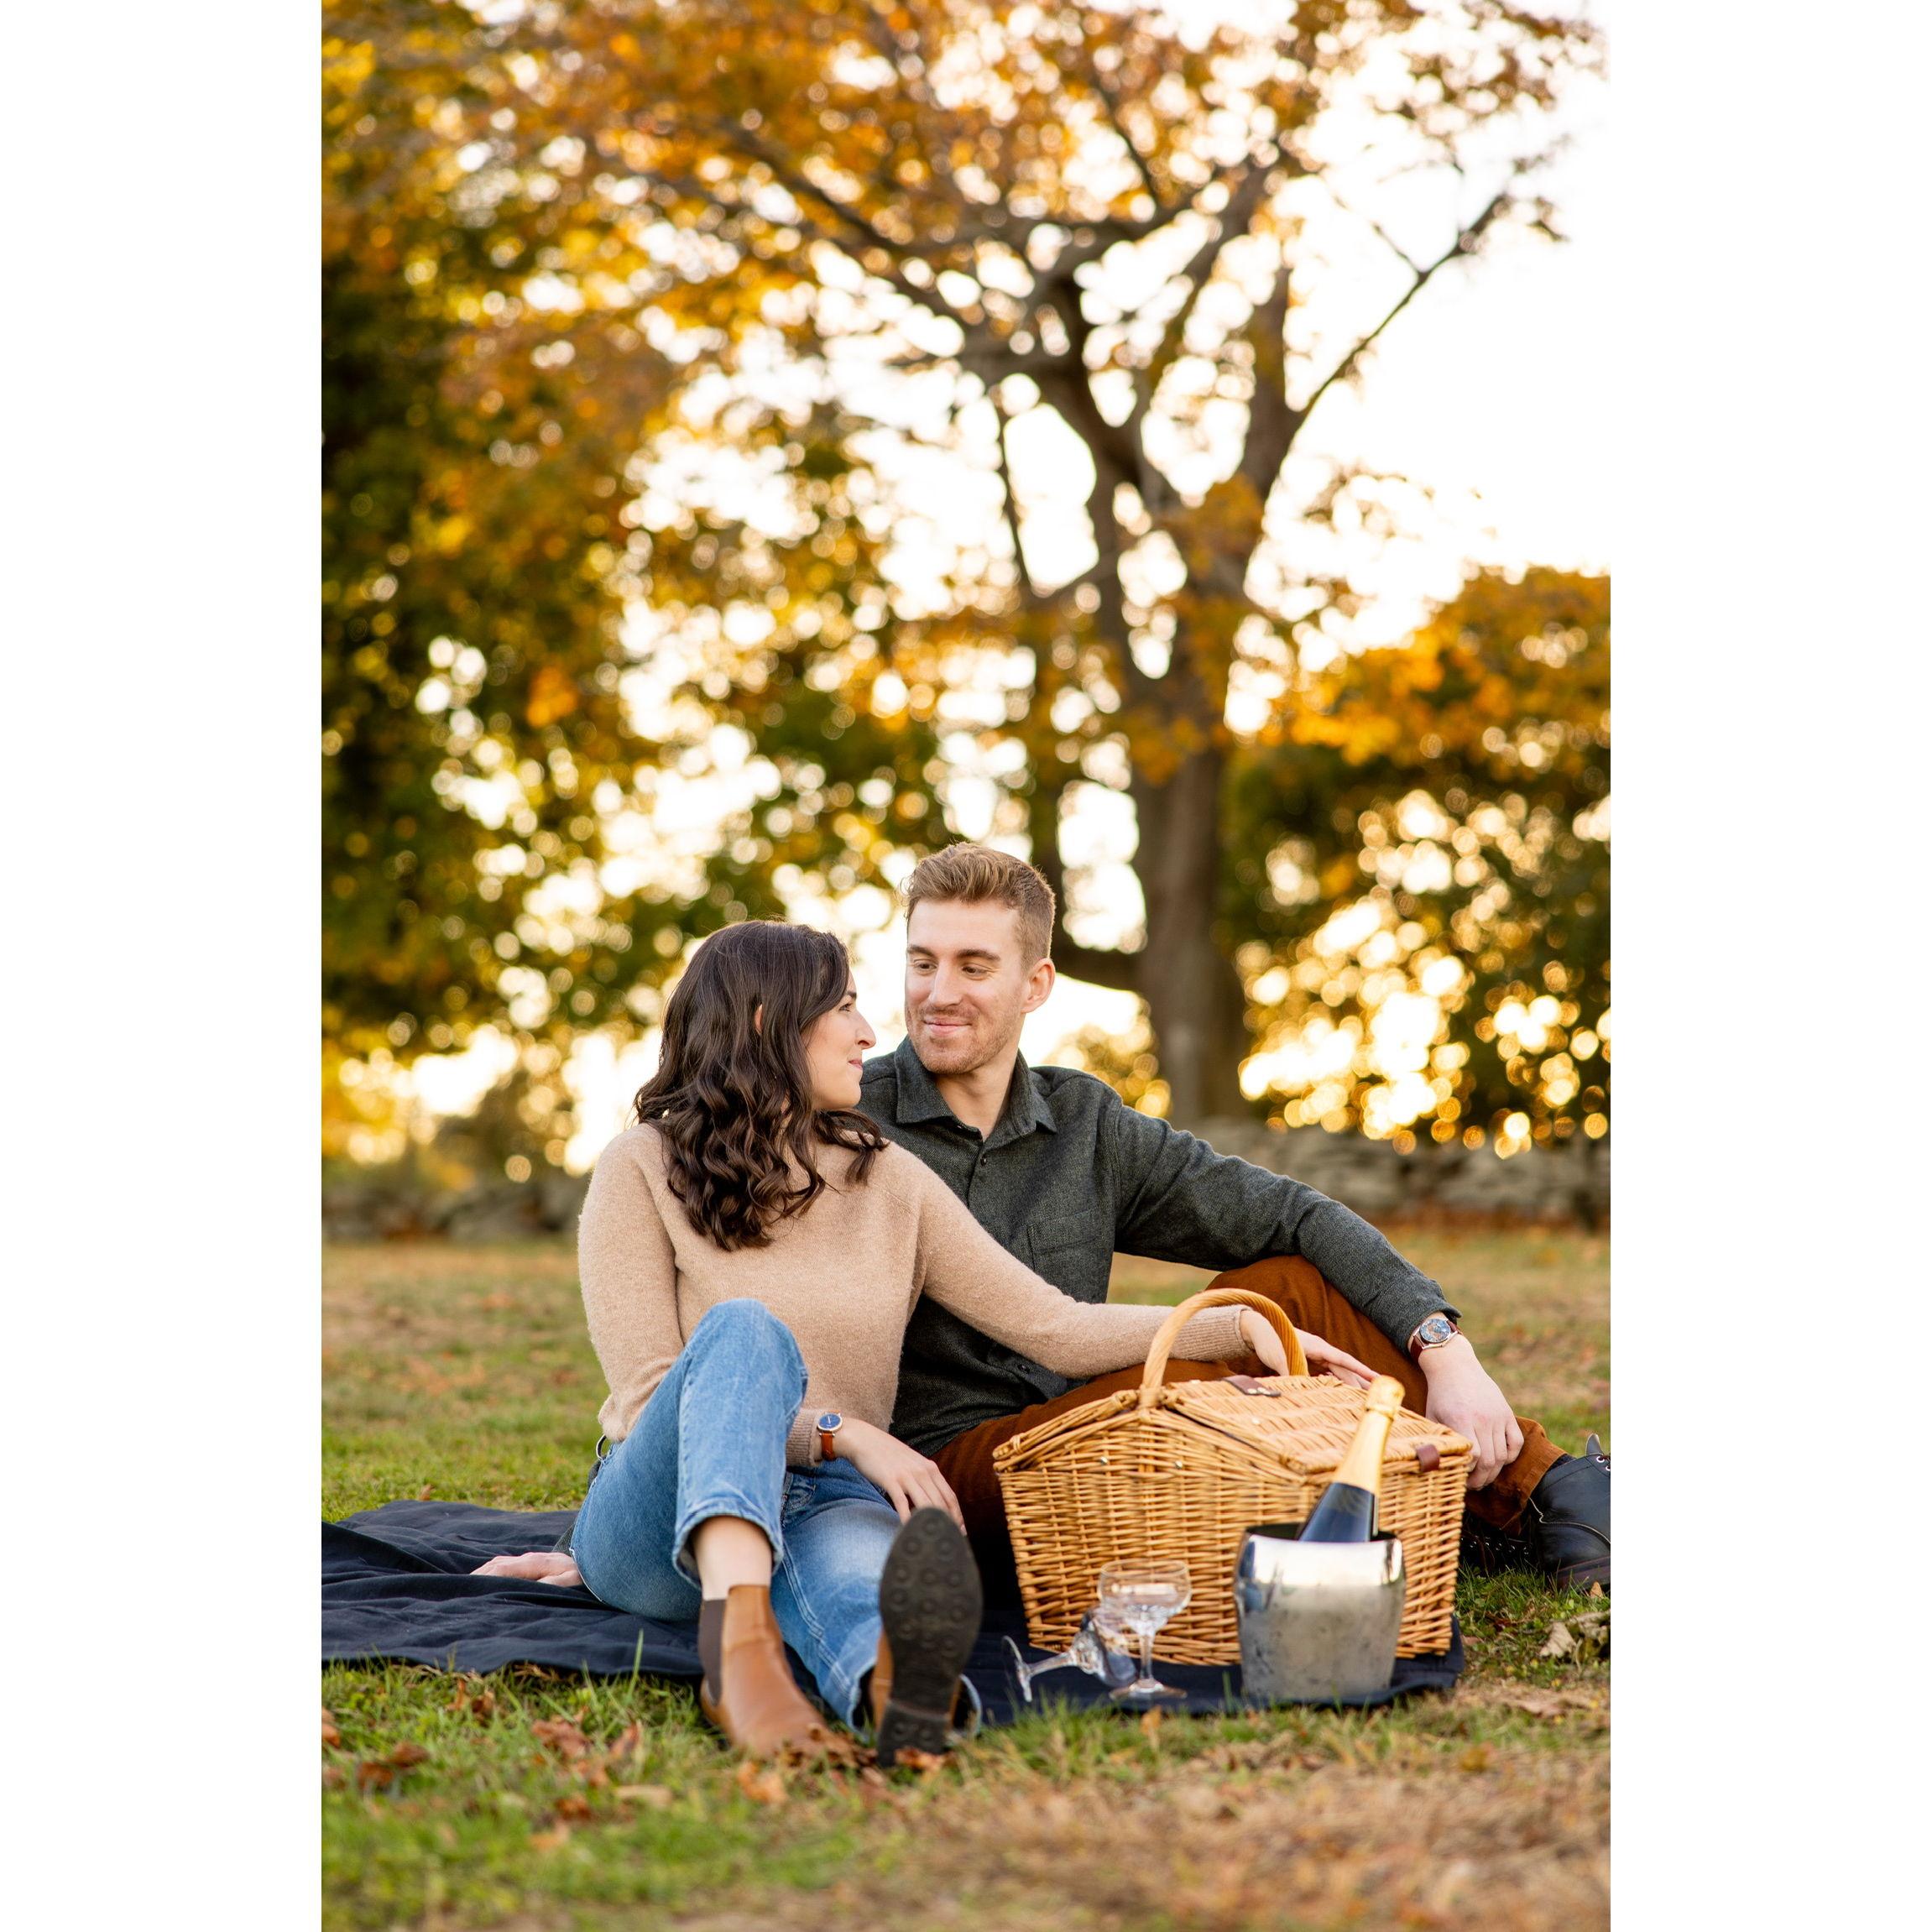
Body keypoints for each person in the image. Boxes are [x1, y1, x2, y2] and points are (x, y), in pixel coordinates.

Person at [475, 919, 1292, 1762]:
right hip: (668, 1510)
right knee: (745, 1330)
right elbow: (651, 1402)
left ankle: (901, 1703)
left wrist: (1242, 1326)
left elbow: (1055, 1324)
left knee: (867, 1597)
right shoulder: (640, 1167)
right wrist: (843, 1432)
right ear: (767, 1022)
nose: (871, 1032)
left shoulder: (887, 1178)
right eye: (844, 1006)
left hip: (828, 1502)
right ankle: (740, 1661)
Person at [856, 843, 1611, 1600]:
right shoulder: (851, 1121)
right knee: (1185, 1387)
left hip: (1085, 1419)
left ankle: (1554, 1496)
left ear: (1036, 984)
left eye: (973, 967)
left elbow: (1295, 1214)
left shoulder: (1085, 1122)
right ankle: (1440, 1507)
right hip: (956, 1469)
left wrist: (1445, 1350)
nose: (938, 992)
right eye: (923, 963)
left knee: (1286, 1287)